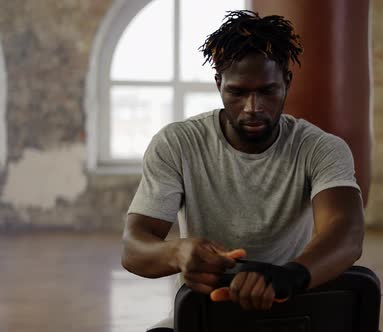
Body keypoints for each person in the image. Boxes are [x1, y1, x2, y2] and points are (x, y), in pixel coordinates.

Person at [121, 10, 364, 331]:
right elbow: (133, 247)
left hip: (294, 307)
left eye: (267, 91)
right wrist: (176, 253)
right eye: (238, 92)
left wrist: (287, 277)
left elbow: (346, 233)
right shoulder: (177, 144)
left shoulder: (319, 147)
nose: (253, 107)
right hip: (208, 312)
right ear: (219, 83)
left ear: (286, 83)